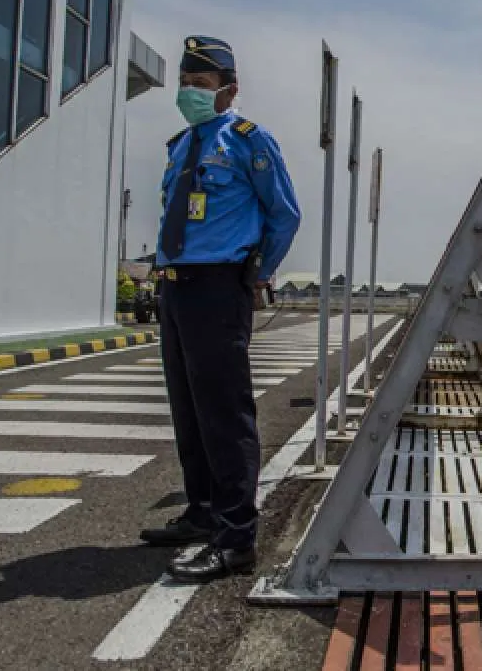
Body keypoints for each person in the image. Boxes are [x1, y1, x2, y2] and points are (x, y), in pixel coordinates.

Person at [140, 35, 301, 583]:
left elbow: (284, 214)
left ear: (229, 92)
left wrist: (255, 273)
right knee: (188, 411)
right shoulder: (181, 146)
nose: (189, 93)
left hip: (217, 286)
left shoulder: (249, 142)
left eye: (201, 85)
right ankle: (202, 511)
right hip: (176, 286)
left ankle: (236, 538)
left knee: (225, 415)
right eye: (184, 83)